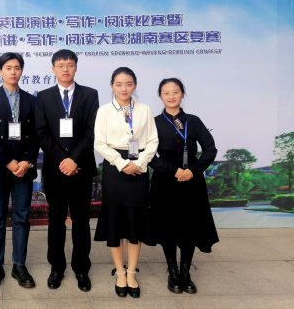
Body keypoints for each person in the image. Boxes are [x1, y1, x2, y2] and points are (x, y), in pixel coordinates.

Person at [35, 49, 99, 292]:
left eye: (70, 64)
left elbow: (92, 130)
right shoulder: (43, 96)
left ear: (76, 67)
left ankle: (81, 269)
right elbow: (41, 132)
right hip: (55, 169)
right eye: (60, 65)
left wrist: (74, 159)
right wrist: (63, 159)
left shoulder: (90, 94)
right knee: (56, 220)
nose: (65, 69)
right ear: (53, 69)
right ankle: (57, 267)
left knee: (81, 220)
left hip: (81, 167)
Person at [149, 78, 218, 294]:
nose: (171, 96)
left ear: (183, 94)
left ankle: (185, 272)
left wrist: (194, 169)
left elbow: (210, 149)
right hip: (165, 180)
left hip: (191, 180)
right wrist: (173, 170)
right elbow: (148, 155)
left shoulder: (194, 121)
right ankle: (173, 271)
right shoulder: (153, 122)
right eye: (166, 93)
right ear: (160, 96)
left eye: (175, 92)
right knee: (167, 225)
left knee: (190, 225)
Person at [93, 67, 158, 298]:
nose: (124, 88)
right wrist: (121, 163)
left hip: (139, 169)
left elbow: (152, 141)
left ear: (135, 85)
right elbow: (99, 143)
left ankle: (132, 272)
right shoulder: (104, 111)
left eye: (129, 84)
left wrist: (139, 163)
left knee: (135, 222)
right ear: (112, 85)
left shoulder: (144, 110)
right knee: (115, 221)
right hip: (114, 168)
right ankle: (119, 272)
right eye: (119, 84)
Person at [0, 52, 40, 290]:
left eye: (17, 67)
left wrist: (26, 162)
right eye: (8, 67)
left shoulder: (31, 100)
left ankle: (19, 266)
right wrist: (8, 162)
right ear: (0, 71)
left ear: (22, 71)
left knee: (22, 218)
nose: (13, 72)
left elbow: (36, 135)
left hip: (23, 169)